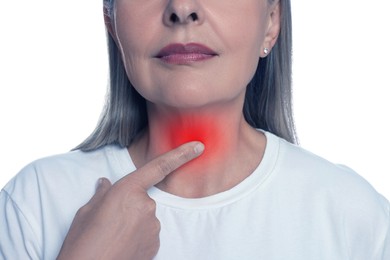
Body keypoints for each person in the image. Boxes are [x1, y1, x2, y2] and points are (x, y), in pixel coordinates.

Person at [0, 0, 389, 259]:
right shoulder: (34, 205)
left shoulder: (353, 217)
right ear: (113, 25)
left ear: (271, 23)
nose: (182, 8)